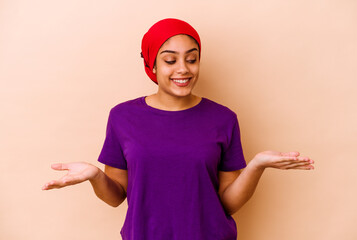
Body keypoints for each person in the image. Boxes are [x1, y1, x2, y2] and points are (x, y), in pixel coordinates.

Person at [42, 18, 314, 240]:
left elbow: (228, 204)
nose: (183, 69)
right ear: (152, 63)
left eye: (192, 59)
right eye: (170, 60)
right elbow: (116, 198)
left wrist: (256, 165)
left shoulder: (224, 118)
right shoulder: (123, 116)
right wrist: (94, 176)